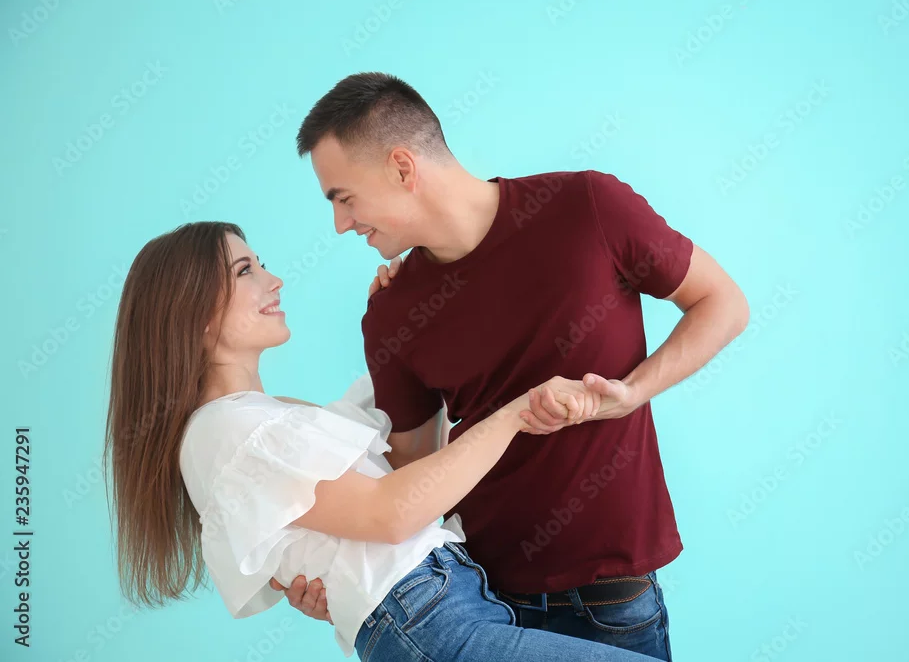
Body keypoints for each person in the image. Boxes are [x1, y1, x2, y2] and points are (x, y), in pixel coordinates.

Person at [274, 72, 751, 660]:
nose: (340, 224)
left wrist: (632, 392)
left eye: (343, 198)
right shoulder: (391, 313)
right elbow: (409, 487)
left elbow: (722, 303)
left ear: (401, 167)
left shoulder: (588, 207)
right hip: (482, 605)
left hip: (614, 600)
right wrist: (342, 577)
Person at [103, 220, 668, 661]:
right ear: (194, 311)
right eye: (245, 270)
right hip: (431, 618)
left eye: (263, 264)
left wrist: (406, 313)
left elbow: (400, 432)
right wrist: (519, 412)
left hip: (440, 606)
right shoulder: (227, 431)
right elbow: (393, 513)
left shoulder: (262, 418)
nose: (274, 281)